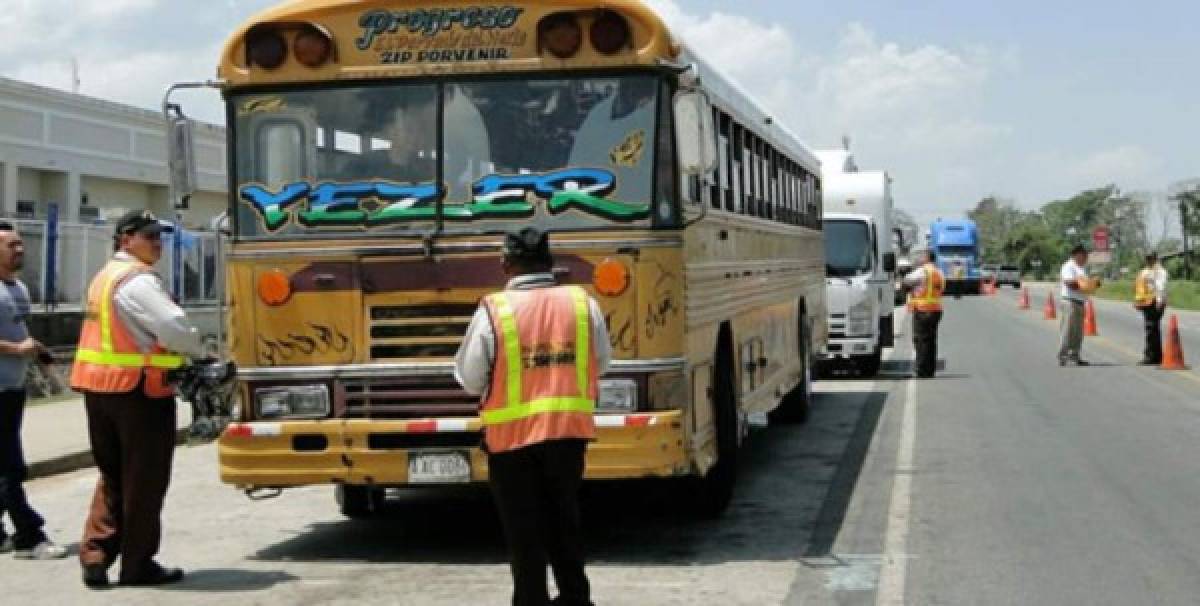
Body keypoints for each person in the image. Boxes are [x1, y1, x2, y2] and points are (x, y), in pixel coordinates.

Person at [454, 227, 610, 606]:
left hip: (511, 443)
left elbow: (471, 378)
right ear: (550, 262)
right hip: (568, 435)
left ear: (506, 264)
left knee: (524, 535)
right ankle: (575, 598)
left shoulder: (495, 310)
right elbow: (601, 362)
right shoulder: (582, 303)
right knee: (565, 523)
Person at [70, 210, 210, 589]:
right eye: (150, 237)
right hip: (137, 393)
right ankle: (138, 565)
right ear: (126, 238)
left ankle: (95, 555)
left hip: (98, 389)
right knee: (144, 480)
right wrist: (201, 352)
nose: (157, 244)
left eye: (160, 237)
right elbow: (172, 327)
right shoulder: (138, 281)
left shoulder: (104, 277)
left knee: (112, 476)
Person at [0, 222, 68, 560]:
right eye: (12, 245)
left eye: (20, 244)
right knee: (10, 466)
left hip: (12, 388)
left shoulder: (20, 289)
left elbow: (20, 331)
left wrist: (39, 354)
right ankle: (30, 536)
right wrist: (15, 350)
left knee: (4, 463)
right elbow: (15, 342)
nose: (20, 250)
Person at [902, 250, 945, 378]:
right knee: (931, 341)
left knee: (920, 340)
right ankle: (930, 370)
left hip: (922, 310)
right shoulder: (939, 273)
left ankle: (921, 370)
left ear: (926, 258)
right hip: (936, 310)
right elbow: (941, 289)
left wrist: (911, 288)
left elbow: (906, 281)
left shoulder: (922, 271)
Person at [1058, 244, 1099, 366]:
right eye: (1084, 255)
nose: (1086, 258)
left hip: (1080, 302)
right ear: (1077, 254)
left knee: (1078, 332)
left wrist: (1093, 284)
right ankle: (1063, 355)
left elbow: (1083, 284)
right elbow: (1069, 283)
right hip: (1070, 302)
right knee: (1068, 330)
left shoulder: (1080, 268)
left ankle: (1075, 355)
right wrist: (1086, 285)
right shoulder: (1068, 266)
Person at [1134, 252, 1169, 365]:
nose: (1149, 261)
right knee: (1152, 329)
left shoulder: (1160, 271)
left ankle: (1150, 356)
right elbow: (1139, 288)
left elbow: (1160, 287)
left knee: (1151, 329)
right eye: (1147, 258)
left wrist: (1159, 301)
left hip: (1154, 302)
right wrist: (1138, 301)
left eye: (1151, 259)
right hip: (1146, 303)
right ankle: (1156, 356)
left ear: (1155, 259)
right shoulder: (1144, 271)